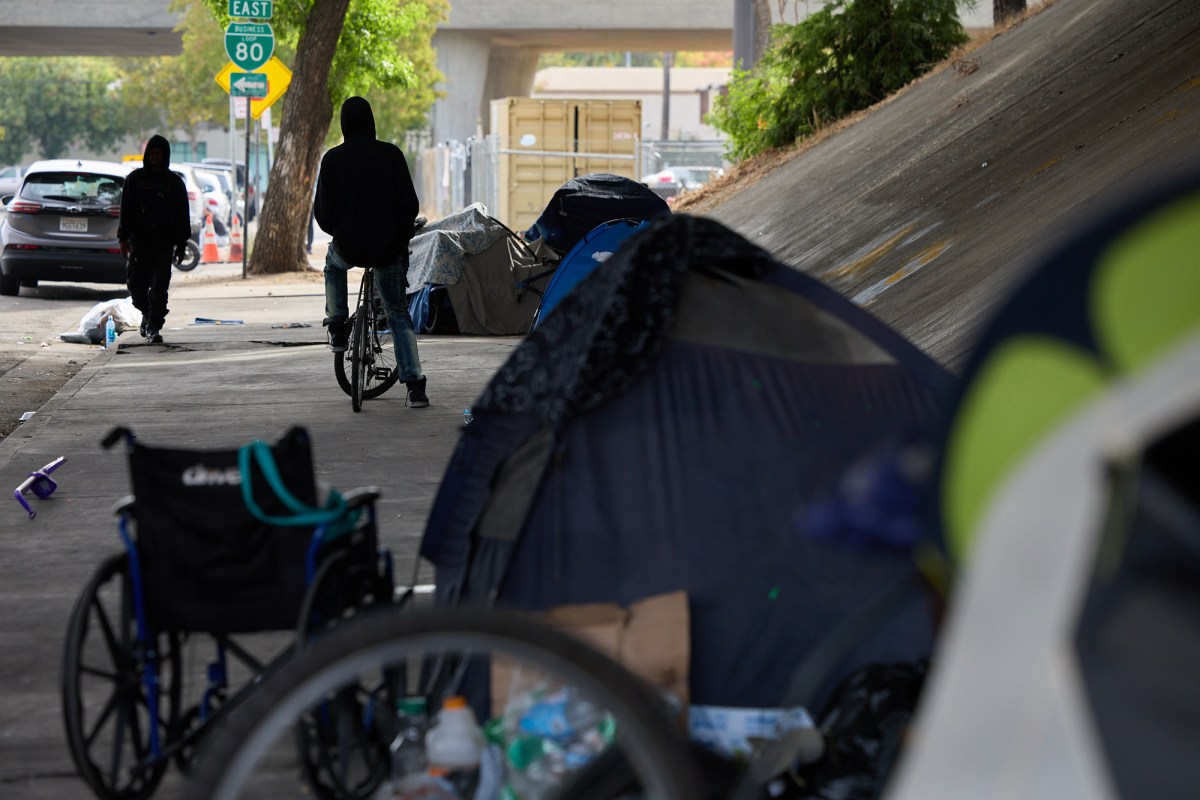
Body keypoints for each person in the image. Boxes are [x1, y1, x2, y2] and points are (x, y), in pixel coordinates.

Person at [314, 96, 428, 408]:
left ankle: (337, 326)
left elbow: (322, 213)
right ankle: (415, 386)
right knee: (396, 313)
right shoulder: (391, 154)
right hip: (387, 249)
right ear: (371, 122)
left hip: (348, 245)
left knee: (333, 267)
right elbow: (409, 206)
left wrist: (341, 232)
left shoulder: (332, 159)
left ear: (344, 124)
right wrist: (398, 235)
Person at [118, 135, 191, 344]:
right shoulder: (134, 180)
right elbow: (126, 211)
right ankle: (147, 315)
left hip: (163, 244)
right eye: (152, 153)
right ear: (147, 154)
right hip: (139, 243)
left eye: (159, 154)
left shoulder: (174, 183)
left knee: (159, 286)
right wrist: (123, 239)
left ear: (165, 156)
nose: (156, 157)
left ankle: (154, 326)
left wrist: (181, 243)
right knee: (136, 287)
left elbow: (182, 215)